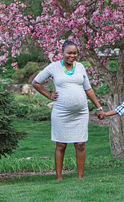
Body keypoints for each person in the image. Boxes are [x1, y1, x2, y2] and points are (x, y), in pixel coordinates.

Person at [32, 41, 105, 180]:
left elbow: (88, 89)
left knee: (80, 144)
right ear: (63, 53)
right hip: (61, 112)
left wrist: (99, 107)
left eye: (75, 53)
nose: (72, 55)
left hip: (80, 112)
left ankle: (80, 177)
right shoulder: (54, 67)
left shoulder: (80, 67)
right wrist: (49, 96)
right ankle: (59, 178)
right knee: (61, 144)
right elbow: (36, 82)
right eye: (69, 53)